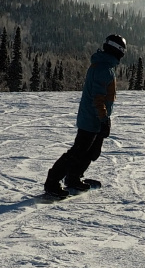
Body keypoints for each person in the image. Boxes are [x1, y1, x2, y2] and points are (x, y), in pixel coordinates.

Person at [44, 34, 125, 197]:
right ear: (118, 51)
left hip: (95, 118)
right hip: (91, 119)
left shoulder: (105, 66)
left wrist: (104, 118)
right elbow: (98, 98)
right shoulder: (103, 68)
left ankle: (73, 177)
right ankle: (52, 181)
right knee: (77, 152)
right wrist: (104, 119)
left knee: (91, 152)